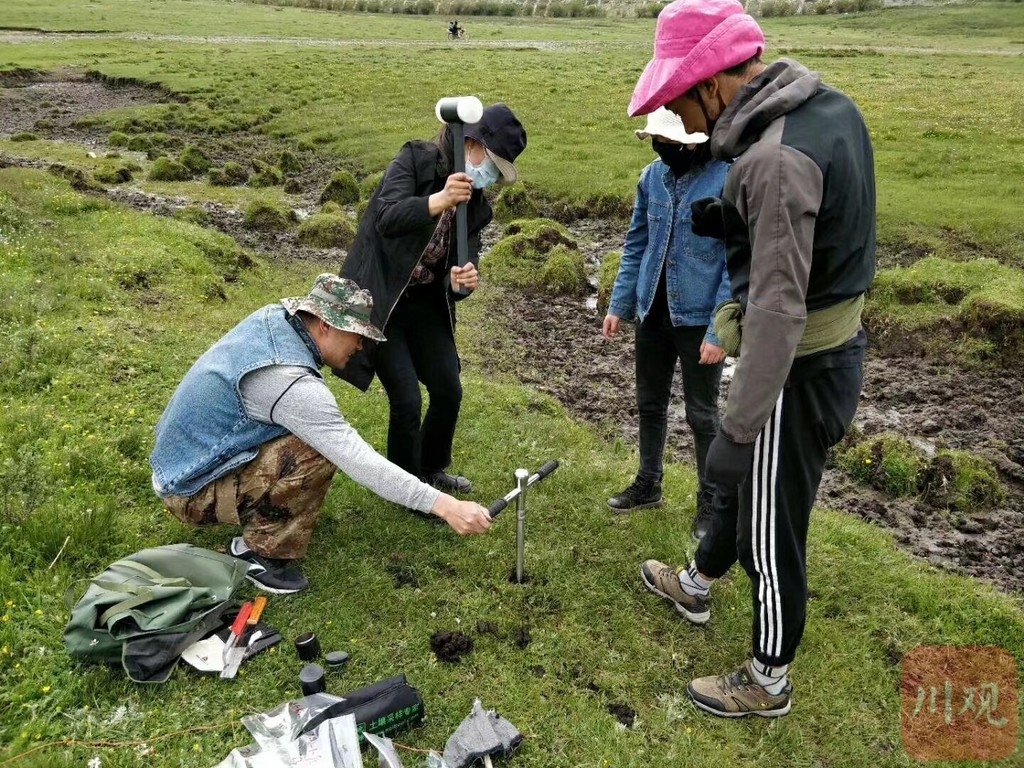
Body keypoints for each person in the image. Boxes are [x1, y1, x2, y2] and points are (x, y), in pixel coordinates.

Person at [628, 0, 875, 717]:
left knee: (769, 523)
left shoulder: (771, 161)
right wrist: (729, 213)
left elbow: (775, 314)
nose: (682, 119)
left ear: (715, 82)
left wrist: (736, 430)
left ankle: (767, 681)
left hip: (798, 369)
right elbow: (828, 220)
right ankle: (698, 583)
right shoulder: (826, 107)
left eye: (681, 100)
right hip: (823, 351)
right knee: (747, 497)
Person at [149, 274, 493, 595]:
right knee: (315, 451)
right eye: (356, 335)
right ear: (325, 326)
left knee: (308, 440)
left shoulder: (274, 321)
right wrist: (445, 506)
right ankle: (260, 555)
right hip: (189, 489)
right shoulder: (290, 382)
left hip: (180, 462)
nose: (360, 346)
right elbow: (358, 459)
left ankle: (259, 515)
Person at [339, 103, 527, 501]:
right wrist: (436, 201)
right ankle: (406, 486)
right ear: (470, 145)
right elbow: (385, 217)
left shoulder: (477, 205)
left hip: (426, 303)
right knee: (406, 396)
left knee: (448, 389)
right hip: (383, 298)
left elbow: (464, 257)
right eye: (490, 164)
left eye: (496, 172)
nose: (489, 176)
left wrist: (463, 280)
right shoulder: (415, 159)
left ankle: (431, 467)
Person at [602, 107, 730, 542]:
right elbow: (636, 242)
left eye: (671, 145)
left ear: (694, 143)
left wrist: (720, 330)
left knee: (702, 414)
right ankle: (648, 483)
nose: (663, 151)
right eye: (658, 143)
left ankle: (710, 503)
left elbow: (737, 262)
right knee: (650, 402)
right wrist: (619, 304)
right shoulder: (651, 177)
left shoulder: (727, 181)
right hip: (651, 312)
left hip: (698, 318)